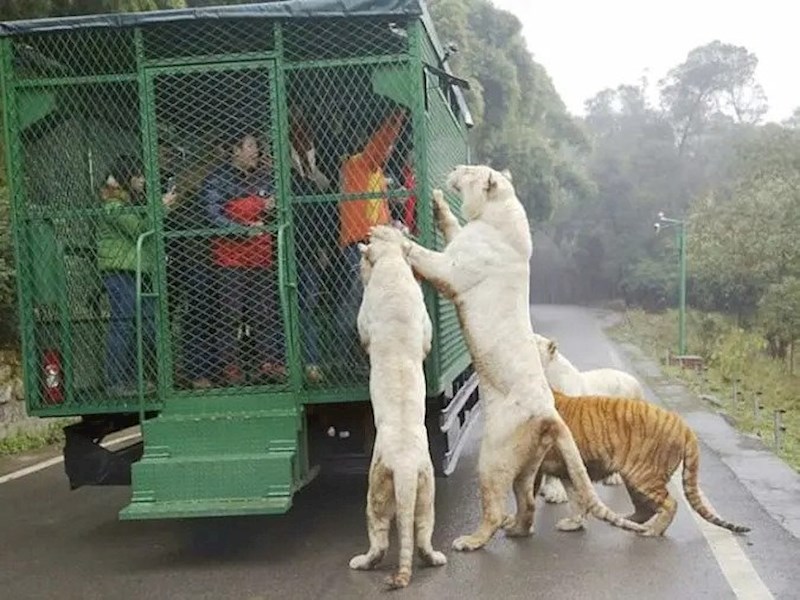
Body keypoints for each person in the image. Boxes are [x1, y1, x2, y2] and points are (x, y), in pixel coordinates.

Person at [201, 130, 286, 385]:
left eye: (256, 147)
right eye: (250, 146)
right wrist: (247, 222)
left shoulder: (265, 177)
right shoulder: (218, 179)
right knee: (230, 314)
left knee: (265, 312)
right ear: (235, 150)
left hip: (261, 257)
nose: (255, 151)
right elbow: (214, 216)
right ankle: (230, 367)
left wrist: (263, 210)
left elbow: (276, 209)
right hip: (230, 259)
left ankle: (268, 362)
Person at [97, 155, 177, 397]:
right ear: (127, 176)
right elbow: (139, 229)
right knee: (123, 324)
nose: (143, 180)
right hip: (121, 270)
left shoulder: (131, 200)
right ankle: (115, 381)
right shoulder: (112, 202)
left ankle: (134, 378)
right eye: (139, 175)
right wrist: (162, 207)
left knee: (143, 326)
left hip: (139, 270)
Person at [335, 107, 407, 360]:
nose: (388, 152)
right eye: (385, 147)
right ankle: (347, 355)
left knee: (367, 299)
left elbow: (379, 212)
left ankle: (357, 354)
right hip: (358, 243)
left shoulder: (373, 172)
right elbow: (383, 140)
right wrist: (398, 114)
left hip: (370, 242)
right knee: (359, 300)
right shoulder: (359, 163)